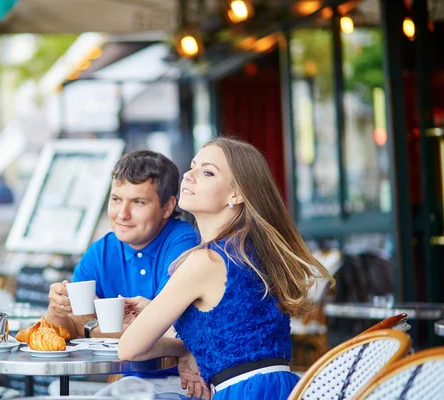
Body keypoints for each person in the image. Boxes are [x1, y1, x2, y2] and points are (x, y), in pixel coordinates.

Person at [118, 138, 334, 400]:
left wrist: (178, 347)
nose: (188, 175)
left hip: (243, 392)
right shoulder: (251, 251)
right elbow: (228, 331)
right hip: (281, 387)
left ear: (237, 194)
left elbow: (129, 349)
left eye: (207, 172)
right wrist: (155, 313)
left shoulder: (205, 261)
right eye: (192, 167)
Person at [45, 150, 199, 393]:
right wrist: (57, 309)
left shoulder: (182, 243)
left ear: (168, 207)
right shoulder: (101, 251)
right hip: (127, 382)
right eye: (116, 199)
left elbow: (167, 333)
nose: (122, 214)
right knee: (56, 391)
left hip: (179, 382)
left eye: (138, 202)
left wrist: (89, 327)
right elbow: (63, 332)